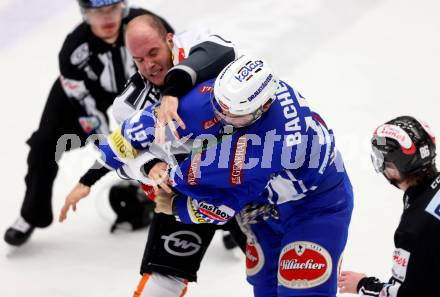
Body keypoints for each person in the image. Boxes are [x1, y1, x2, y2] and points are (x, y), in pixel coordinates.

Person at [67, 55, 354, 297]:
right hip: (264, 206)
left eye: (234, 116)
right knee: (265, 288)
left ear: (263, 108)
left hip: (316, 207)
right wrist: (91, 176)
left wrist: (172, 203)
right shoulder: (219, 98)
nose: (222, 117)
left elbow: (221, 207)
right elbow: (129, 136)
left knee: (300, 289)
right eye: (219, 106)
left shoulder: (263, 148)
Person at [61, 14, 246, 297]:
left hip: (247, 175)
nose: (149, 65)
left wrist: (173, 90)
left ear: (169, 40)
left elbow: (223, 51)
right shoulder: (128, 105)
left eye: (154, 52)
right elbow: (125, 152)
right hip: (190, 189)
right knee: (163, 278)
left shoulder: (195, 42)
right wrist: (149, 166)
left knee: (275, 265)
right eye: (139, 59)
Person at [3, 0, 173, 247]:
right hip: (86, 98)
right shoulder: (73, 50)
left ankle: (219, 213)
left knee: (180, 132)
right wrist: (119, 159)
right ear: (84, 13)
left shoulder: (146, 27)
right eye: (97, 14)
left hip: (144, 88)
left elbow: (177, 64)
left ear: (123, 7)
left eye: (113, 10)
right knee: (43, 144)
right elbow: (90, 115)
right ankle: (32, 214)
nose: (107, 20)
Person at [338, 116, 440, 297]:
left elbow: (406, 293)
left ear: (396, 167)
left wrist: (363, 284)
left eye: (383, 159)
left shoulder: (413, 229)